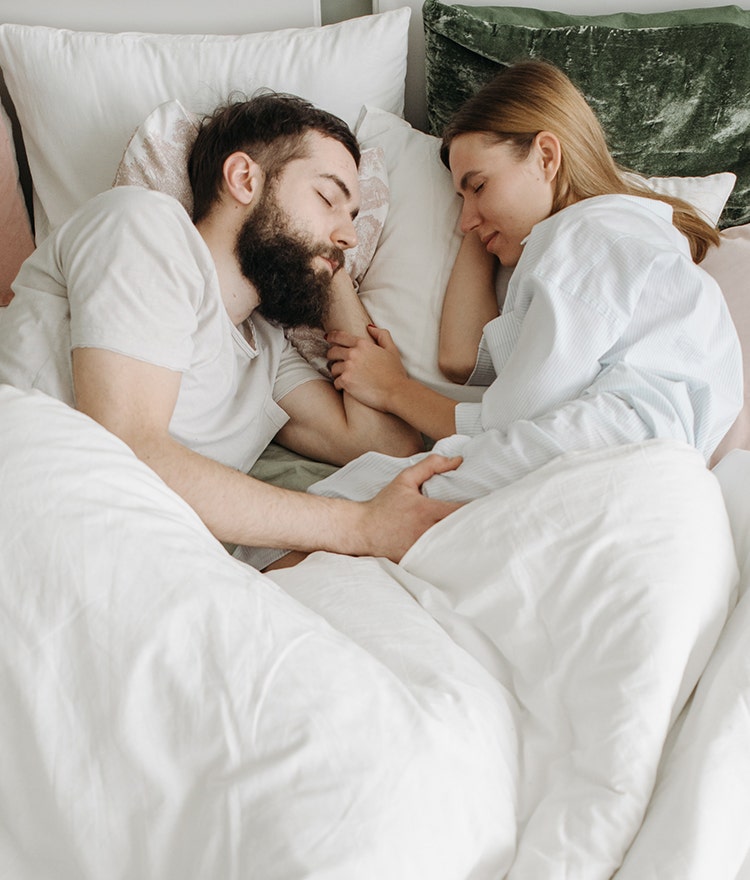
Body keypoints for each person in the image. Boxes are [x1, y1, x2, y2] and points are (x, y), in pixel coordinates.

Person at [0, 92, 462, 563]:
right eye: (327, 197)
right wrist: (360, 526)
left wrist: (331, 259)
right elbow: (130, 452)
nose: (350, 235)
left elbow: (384, 444)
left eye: (353, 219)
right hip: (31, 524)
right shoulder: (145, 226)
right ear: (244, 178)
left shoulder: (267, 350)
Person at [321, 59, 742, 503]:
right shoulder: (611, 236)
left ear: (546, 156)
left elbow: (505, 424)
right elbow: (461, 358)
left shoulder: (585, 236)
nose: (463, 219)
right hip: (639, 456)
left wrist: (394, 389)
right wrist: (487, 222)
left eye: (478, 185)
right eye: (459, 197)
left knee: (366, 497)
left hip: (615, 446)